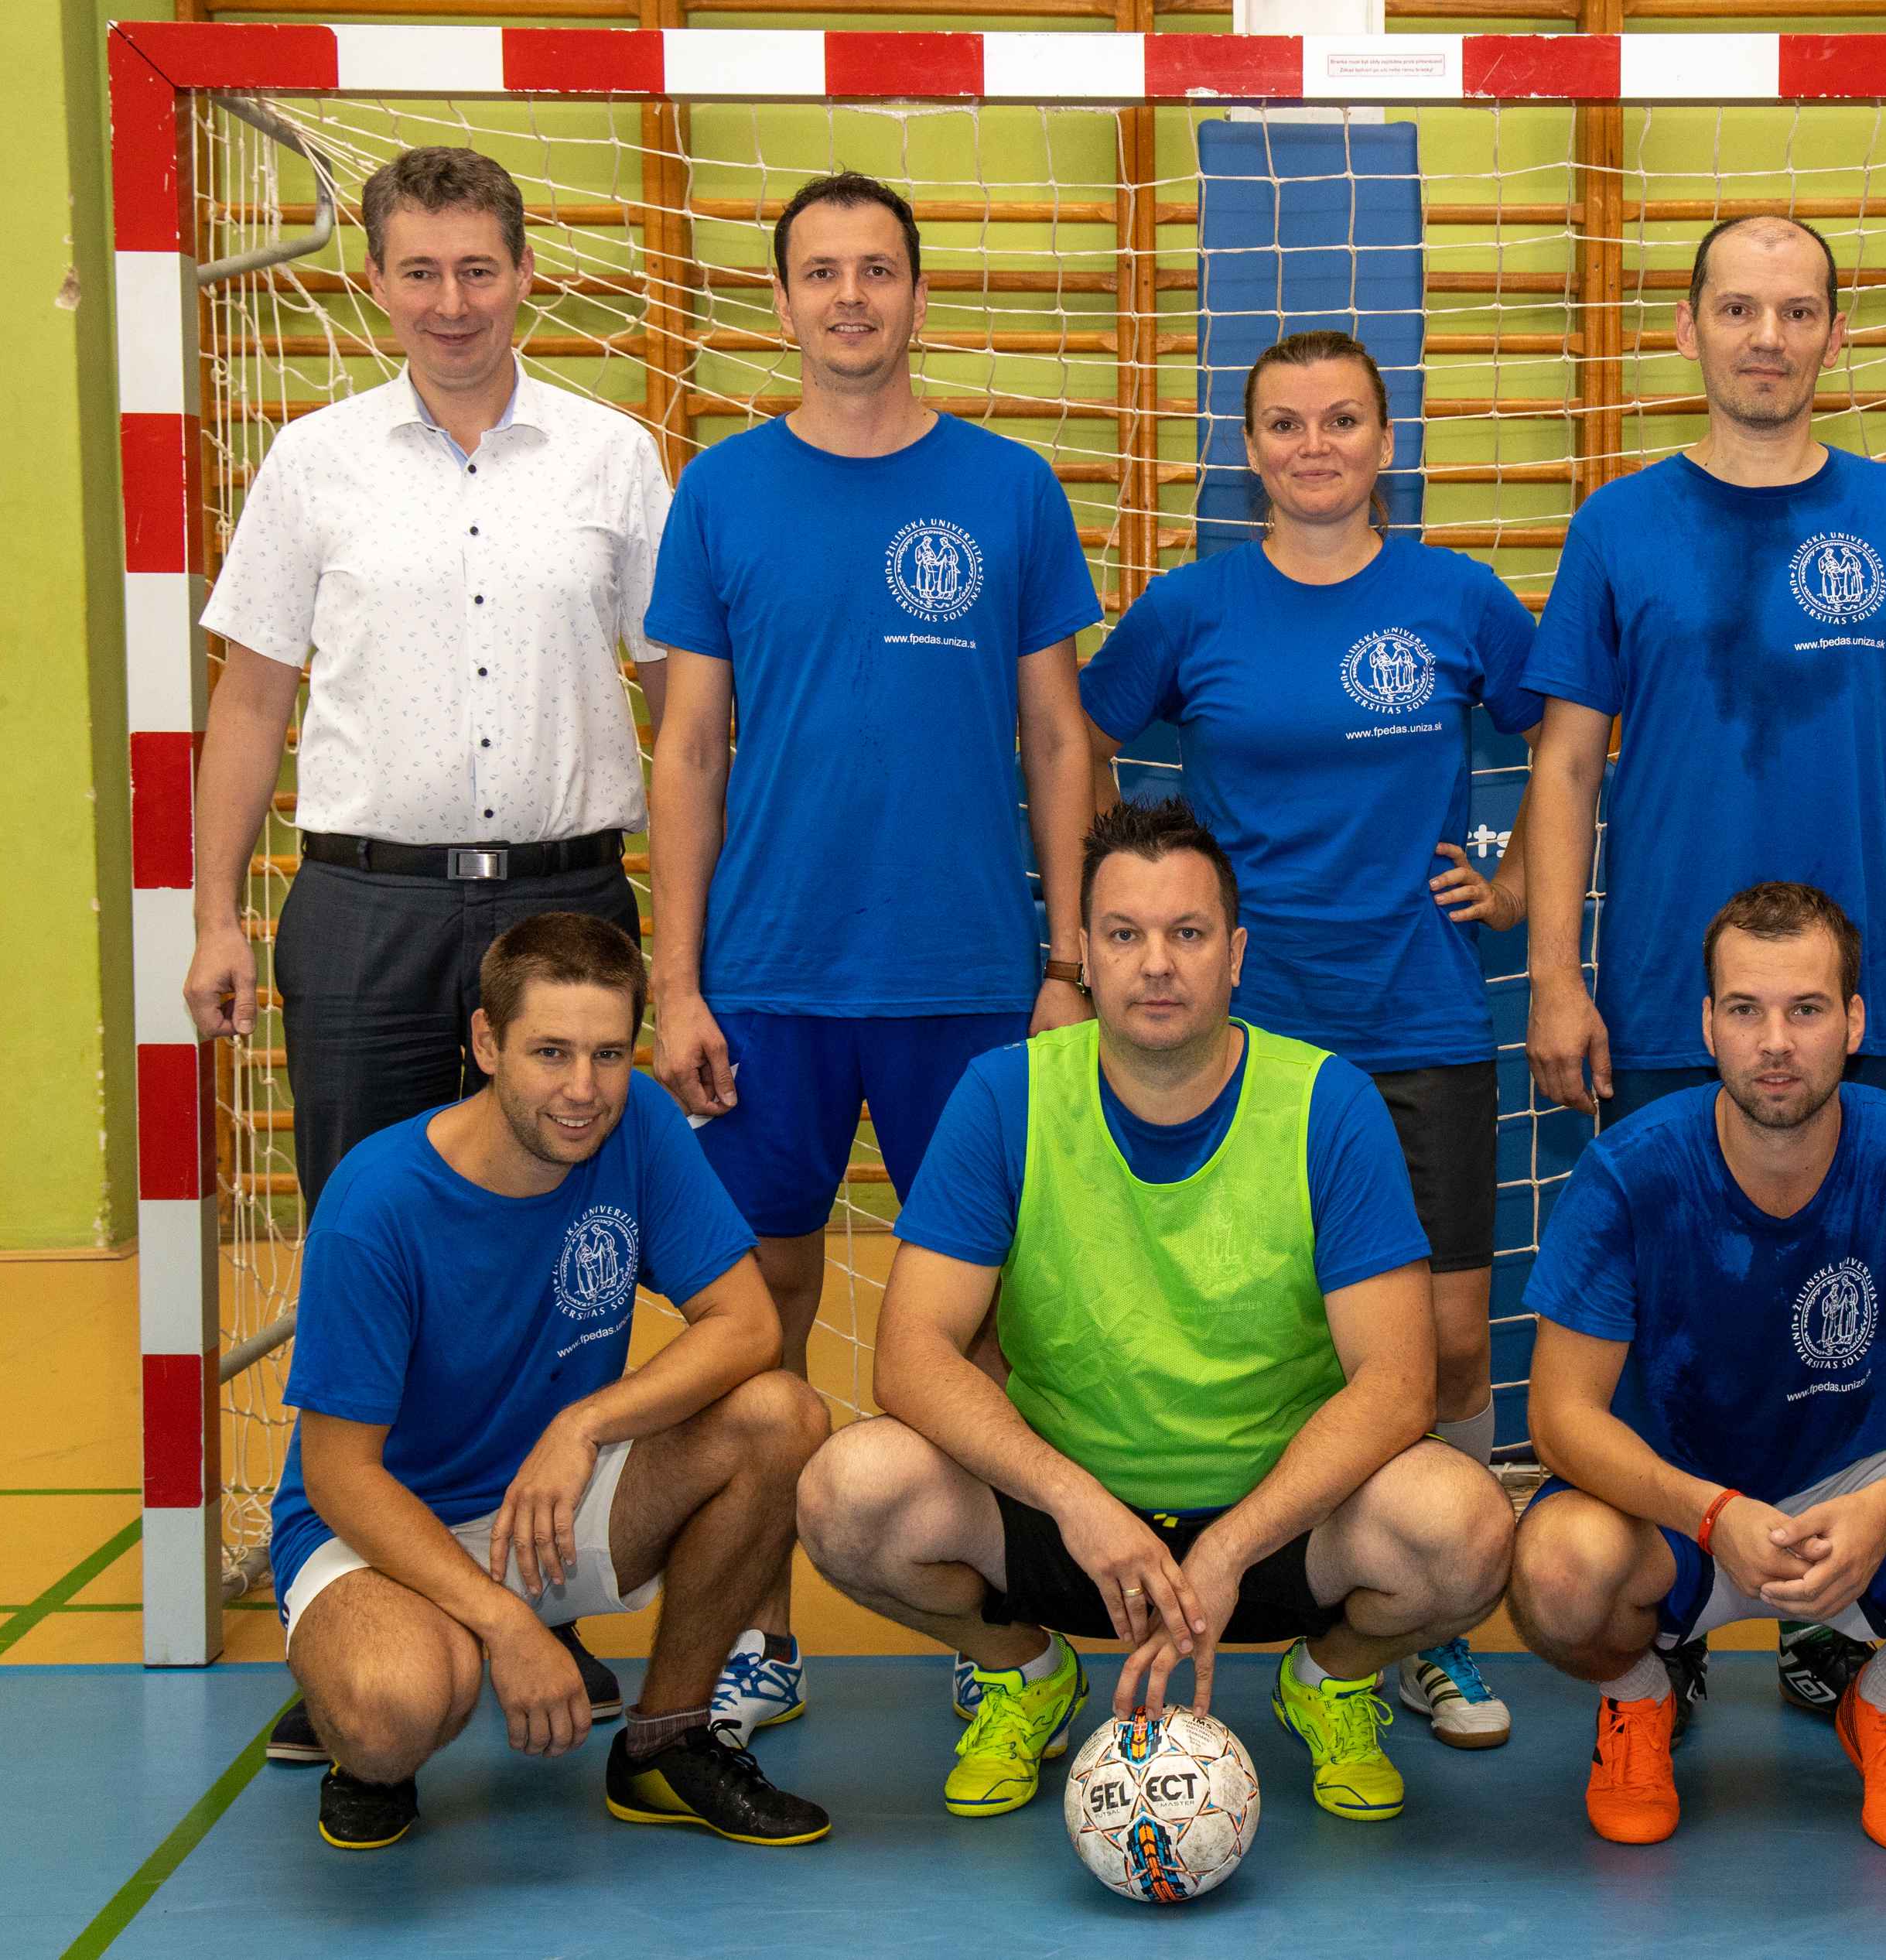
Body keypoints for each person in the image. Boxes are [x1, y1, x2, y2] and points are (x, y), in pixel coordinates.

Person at [186, 144, 671, 1764]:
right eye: (420, 271)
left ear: (526, 272)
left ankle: (541, 1600)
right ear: (376, 280)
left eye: (478, 268)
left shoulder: (614, 457)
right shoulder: (313, 460)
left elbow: (685, 706)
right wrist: (213, 912)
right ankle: (347, 1622)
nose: (451, 301)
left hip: (568, 902)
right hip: (366, 908)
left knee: (558, 1257)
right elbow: (251, 698)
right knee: (363, 1252)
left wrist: (695, 941)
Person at [1517, 213, 1886, 1717]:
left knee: (1841, 1307)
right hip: (1665, 1005)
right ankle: (1675, 1605)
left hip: (1841, 1009)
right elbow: (1564, 763)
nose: (1766, 337)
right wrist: (1554, 972)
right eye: (1737, 308)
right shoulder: (1618, 525)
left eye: (1797, 311)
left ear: (1833, 337)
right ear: (1688, 330)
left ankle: (1829, 1607)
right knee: (1669, 1319)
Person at [794, 799, 1513, 1825]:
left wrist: (1231, 1546)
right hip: (1074, 1526)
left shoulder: (1328, 1102)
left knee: (1467, 1529)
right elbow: (911, 1357)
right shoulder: (1006, 1095)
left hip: (1279, 1529)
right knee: (846, 1493)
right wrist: (1076, 1502)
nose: (1157, 964)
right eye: (1125, 935)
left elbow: (1399, 1385)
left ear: (1236, 954)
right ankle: (1024, 1672)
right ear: (1085, 953)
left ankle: (1331, 1680)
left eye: (1188, 933)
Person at [642, 169, 1103, 1742]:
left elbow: (1060, 734)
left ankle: (1007, 1626)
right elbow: (688, 747)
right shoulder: (721, 492)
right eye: (822, 272)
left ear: (917, 291)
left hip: (969, 977)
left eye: (878, 269)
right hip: (766, 979)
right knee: (754, 1316)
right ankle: (756, 1627)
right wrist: (676, 981)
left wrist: (1066, 959)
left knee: (994, 1319)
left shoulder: (1008, 488)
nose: (851, 296)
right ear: (780, 300)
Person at [1078, 329, 1543, 1746]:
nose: (1315, 445)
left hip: (1418, 1016)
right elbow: (1075, 726)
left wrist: (1518, 877)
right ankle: (1272, 1586)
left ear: (1387, 442)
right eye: (1285, 423)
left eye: (1343, 419)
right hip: (1250, 1042)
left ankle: (1409, 1631)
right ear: (1251, 450)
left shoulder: (1459, 599)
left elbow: (1574, 731)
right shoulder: (1192, 607)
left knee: (1446, 1347)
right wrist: (1130, 910)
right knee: (1290, 1337)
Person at [1503, 883, 1886, 1853]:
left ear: (1854, 1022)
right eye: (1745, 1010)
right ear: (1708, 1025)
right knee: (1555, 1571)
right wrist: (1710, 1514)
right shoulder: (1628, 1171)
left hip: (1852, 1495)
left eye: (1805, 1009)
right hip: (1676, 1504)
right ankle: (1639, 1698)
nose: (1774, 1042)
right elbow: (1561, 1417)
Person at [267, 913, 831, 1852]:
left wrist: (583, 1424)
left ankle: (667, 1740)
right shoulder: (377, 1203)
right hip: (384, 1529)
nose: (582, 1089)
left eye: (608, 1053)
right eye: (550, 1052)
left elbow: (747, 1324)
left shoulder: (638, 1122)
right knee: (395, 1708)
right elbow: (337, 1475)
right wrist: (503, 1625)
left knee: (782, 1416)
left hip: (548, 1508)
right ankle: (370, 1735)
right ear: (487, 1044)